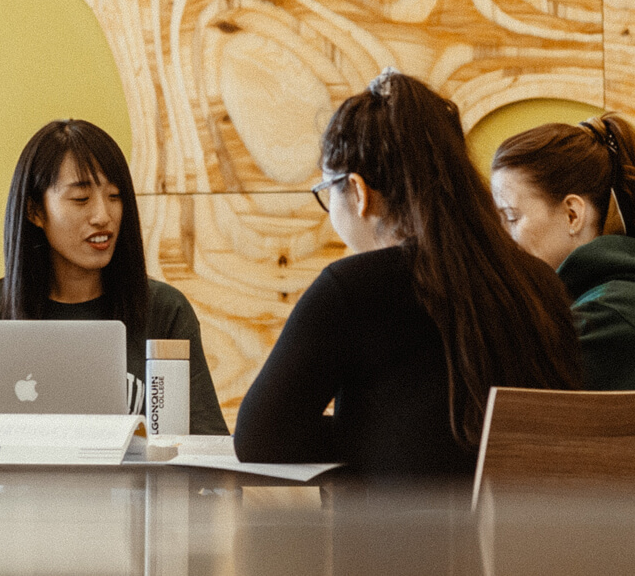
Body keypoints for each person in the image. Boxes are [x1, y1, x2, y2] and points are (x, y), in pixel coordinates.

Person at [233, 70, 583, 478]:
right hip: (540, 520)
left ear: (358, 192)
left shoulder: (351, 289)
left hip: (402, 522)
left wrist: (372, 434)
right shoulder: (540, 283)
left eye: (328, 191)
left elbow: (260, 437)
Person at [0, 119, 228, 435]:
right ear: (35, 211)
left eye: (115, 196)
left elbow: (207, 443)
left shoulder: (165, 311)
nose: (103, 216)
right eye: (81, 199)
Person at [491, 113, 635, 390]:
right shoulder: (618, 296)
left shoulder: (612, 315)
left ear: (572, 214)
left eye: (512, 218)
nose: (502, 238)